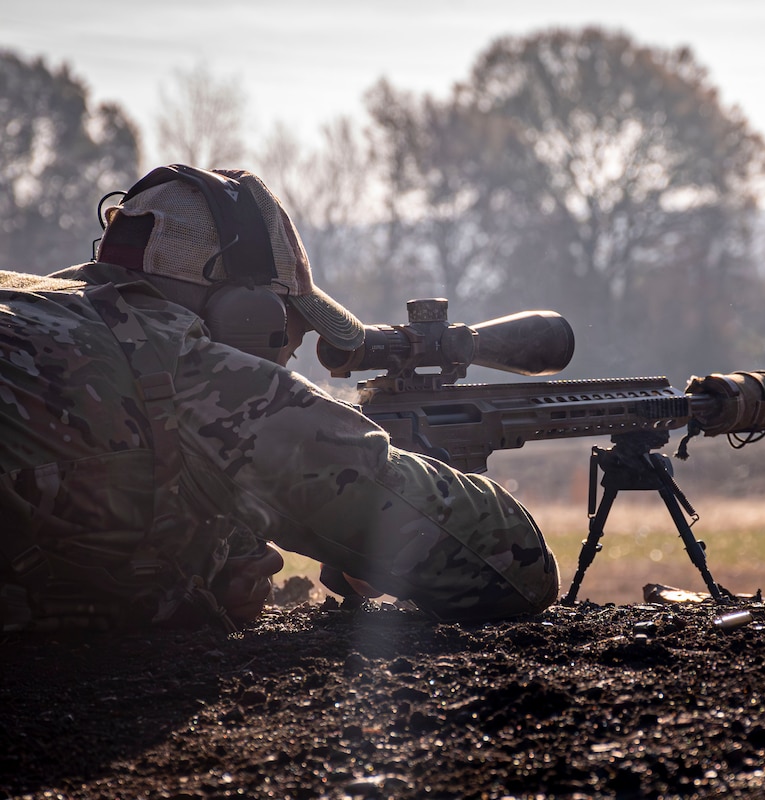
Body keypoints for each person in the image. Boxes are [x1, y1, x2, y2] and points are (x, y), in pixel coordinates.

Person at [0, 164, 559, 632]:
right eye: (291, 322)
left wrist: (205, 557)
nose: (291, 350)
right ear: (247, 316)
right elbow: (509, 563)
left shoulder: (36, 312)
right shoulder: (187, 371)